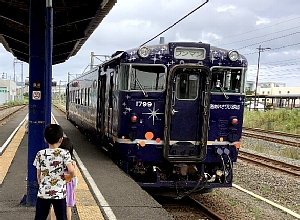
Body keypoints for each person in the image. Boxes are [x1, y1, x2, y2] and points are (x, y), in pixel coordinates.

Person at [33, 124, 75, 220]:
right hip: (59, 193)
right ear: (61, 140)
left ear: (45, 139)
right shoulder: (65, 153)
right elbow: (71, 170)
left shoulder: (40, 154)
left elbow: (38, 174)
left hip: (44, 192)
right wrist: (69, 177)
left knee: (40, 217)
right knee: (61, 217)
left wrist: (40, 183)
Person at [50, 137, 78, 220]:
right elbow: (74, 174)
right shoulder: (70, 162)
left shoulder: (55, 161)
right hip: (68, 187)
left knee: (54, 206)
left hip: (56, 185)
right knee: (67, 207)